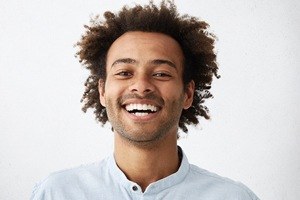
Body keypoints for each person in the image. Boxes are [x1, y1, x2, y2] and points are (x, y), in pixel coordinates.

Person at [31, 1, 260, 199]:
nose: (141, 86)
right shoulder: (55, 193)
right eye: (124, 72)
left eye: (161, 73)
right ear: (102, 91)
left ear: (187, 94)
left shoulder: (234, 197)